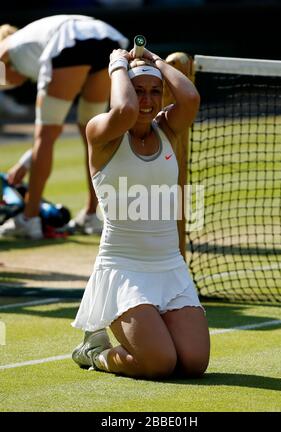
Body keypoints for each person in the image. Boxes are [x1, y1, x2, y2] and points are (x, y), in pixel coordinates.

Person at [71, 45, 210, 379]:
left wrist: (154, 61)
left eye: (154, 92)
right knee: (159, 363)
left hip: (170, 269)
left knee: (193, 362)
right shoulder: (100, 132)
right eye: (137, 91)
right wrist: (117, 62)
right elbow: (124, 110)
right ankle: (96, 353)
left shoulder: (168, 129)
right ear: (123, 89)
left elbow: (189, 98)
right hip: (124, 271)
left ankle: (150, 329)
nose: (146, 100)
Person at [0, 15, 128, 239]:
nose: (7, 85)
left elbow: (48, 134)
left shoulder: (5, 49)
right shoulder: (30, 46)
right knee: (93, 134)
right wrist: (26, 162)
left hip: (71, 42)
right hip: (107, 41)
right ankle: (92, 216)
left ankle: (29, 220)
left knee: (46, 134)